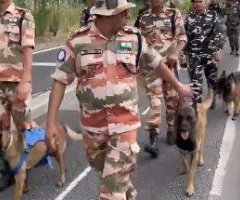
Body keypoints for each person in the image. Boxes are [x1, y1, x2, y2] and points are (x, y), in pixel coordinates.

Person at [45, 0, 193, 199]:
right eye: (123, 13)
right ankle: (127, 192)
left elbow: (157, 63)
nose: (127, 17)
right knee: (108, 175)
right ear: (107, 16)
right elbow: (60, 81)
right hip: (93, 127)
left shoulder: (135, 38)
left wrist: (179, 86)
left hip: (125, 125)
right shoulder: (77, 42)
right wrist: (50, 123)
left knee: (111, 191)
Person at [0, 0, 35, 193]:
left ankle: (23, 173)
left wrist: (25, 82)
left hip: (16, 82)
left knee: (22, 130)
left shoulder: (23, 16)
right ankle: (7, 172)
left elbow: (28, 52)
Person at [138, 0, 187, 158]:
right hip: (151, 68)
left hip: (169, 65)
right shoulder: (143, 17)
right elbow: (138, 42)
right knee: (155, 102)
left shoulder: (174, 14)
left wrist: (176, 53)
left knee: (172, 101)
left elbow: (182, 37)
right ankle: (153, 139)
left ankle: (171, 127)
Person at [184, 0, 225, 105]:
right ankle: (197, 107)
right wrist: (183, 55)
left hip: (210, 54)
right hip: (194, 56)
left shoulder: (213, 15)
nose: (198, 4)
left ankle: (212, 99)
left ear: (205, 3)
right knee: (196, 83)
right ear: (193, 4)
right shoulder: (188, 18)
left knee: (212, 80)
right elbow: (184, 37)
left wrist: (217, 50)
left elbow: (219, 33)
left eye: (200, 1)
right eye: (196, 2)